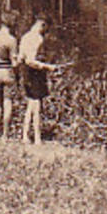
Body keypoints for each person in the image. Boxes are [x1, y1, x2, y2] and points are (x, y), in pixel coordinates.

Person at [18, 14, 67, 144]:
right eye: (47, 28)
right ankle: (37, 139)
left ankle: (25, 136)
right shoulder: (37, 38)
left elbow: (22, 58)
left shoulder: (25, 37)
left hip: (26, 74)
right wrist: (48, 67)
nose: (47, 32)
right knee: (37, 107)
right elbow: (31, 60)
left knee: (31, 106)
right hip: (34, 74)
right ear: (42, 25)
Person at [0, 10, 19, 138]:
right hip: (7, 71)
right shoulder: (11, 40)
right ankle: (5, 134)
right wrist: (17, 72)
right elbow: (14, 62)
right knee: (7, 102)